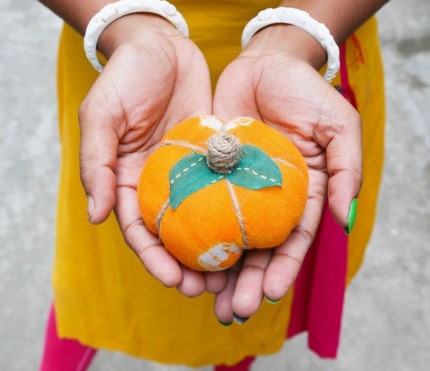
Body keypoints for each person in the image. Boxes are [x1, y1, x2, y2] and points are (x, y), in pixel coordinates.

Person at [39, 0, 388, 369]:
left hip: (305, 60)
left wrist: (303, 32)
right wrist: (124, 26)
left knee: (249, 294)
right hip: (135, 84)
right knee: (101, 282)